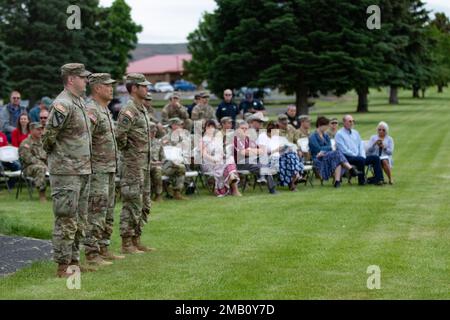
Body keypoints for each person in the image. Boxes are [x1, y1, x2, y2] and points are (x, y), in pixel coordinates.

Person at [42, 63, 93, 278]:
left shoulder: (78, 102)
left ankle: (74, 261)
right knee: (65, 219)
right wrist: (62, 157)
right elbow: (48, 137)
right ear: (71, 79)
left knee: (79, 219)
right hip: (66, 172)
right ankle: (62, 266)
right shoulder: (62, 104)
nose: (86, 81)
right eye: (82, 77)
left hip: (82, 170)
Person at [84, 73, 124, 266]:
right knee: (96, 210)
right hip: (97, 169)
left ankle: (104, 247)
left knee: (108, 210)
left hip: (109, 168)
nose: (111, 89)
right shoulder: (91, 109)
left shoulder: (105, 110)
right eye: (108, 86)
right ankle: (92, 253)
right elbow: (85, 140)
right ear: (98, 88)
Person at [116, 73, 154, 254]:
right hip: (132, 165)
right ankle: (126, 242)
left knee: (144, 202)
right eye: (143, 86)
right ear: (134, 88)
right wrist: (129, 152)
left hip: (144, 164)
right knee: (131, 202)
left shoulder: (142, 109)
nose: (147, 88)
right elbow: (119, 136)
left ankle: (136, 239)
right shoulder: (129, 110)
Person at [309, 117, 360, 188]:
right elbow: (317, 149)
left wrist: (324, 150)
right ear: (320, 125)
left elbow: (329, 147)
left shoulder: (325, 135)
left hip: (327, 156)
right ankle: (351, 169)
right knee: (337, 154)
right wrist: (324, 149)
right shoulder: (313, 136)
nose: (327, 128)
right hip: (318, 158)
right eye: (326, 126)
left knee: (337, 158)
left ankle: (337, 181)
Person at [335, 115, 384, 186]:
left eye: (353, 121)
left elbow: (361, 145)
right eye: (350, 121)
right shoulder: (339, 134)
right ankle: (362, 181)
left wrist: (362, 155)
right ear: (344, 122)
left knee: (375, 158)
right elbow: (343, 150)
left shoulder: (355, 132)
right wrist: (356, 155)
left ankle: (379, 179)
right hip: (347, 158)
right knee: (360, 160)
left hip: (359, 157)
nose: (352, 123)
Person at [257, 121, 305, 191]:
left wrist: (285, 148)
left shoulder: (275, 137)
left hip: (279, 157)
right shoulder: (262, 137)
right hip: (267, 159)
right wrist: (277, 150)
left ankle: (294, 179)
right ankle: (296, 178)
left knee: (291, 154)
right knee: (288, 160)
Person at [233, 120, 277, 194]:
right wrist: (253, 151)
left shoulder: (248, 140)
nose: (244, 130)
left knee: (263, 160)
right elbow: (244, 153)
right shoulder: (235, 140)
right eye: (242, 128)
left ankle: (267, 183)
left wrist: (250, 150)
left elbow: (261, 151)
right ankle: (269, 186)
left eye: (246, 128)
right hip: (240, 163)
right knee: (263, 165)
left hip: (252, 162)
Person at [201, 119, 241, 197]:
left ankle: (232, 177)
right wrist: (214, 159)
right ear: (205, 128)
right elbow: (204, 154)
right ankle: (234, 187)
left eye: (212, 127)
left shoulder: (217, 139)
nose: (211, 128)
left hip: (219, 161)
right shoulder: (203, 140)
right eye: (208, 127)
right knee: (227, 162)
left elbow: (221, 151)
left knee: (229, 159)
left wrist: (222, 156)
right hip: (208, 163)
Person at [18, 122, 48, 201]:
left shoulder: (43, 142)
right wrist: (45, 165)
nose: (40, 131)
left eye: (41, 129)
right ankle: (42, 195)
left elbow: (48, 155)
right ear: (31, 130)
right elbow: (28, 159)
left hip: (45, 165)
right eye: (38, 129)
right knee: (40, 168)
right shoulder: (25, 143)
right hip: (28, 168)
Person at [160, 118, 188, 200]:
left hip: (179, 162)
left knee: (181, 167)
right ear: (173, 126)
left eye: (181, 125)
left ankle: (177, 192)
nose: (181, 127)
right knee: (180, 167)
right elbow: (164, 153)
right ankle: (172, 191)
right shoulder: (166, 138)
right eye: (179, 125)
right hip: (166, 165)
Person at [149, 123, 165, 202]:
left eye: (155, 132)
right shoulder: (142, 143)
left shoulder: (158, 142)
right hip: (146, 165)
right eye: (151, 132)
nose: (153, 133)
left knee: (157, 170)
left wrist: (161, 162)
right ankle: (147, 197)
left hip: (157, 166)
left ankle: (158, 195)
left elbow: (163, 156)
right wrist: (152, 163)